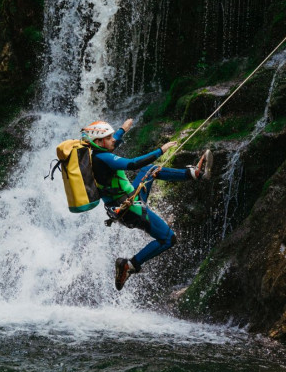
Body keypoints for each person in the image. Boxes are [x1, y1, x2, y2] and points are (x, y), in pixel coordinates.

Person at [81, 119, 212, 291]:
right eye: (110, 137)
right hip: (130, 209)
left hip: (126, 201)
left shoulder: (92, 154)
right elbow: (133, 164)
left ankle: (193, 173)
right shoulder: (103, 158)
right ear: (99, 141)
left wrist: (122, 130)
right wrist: (161, 150)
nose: (114, 139)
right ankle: (129, 264)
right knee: (168, 239)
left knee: (149, 171)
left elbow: (112, 145)